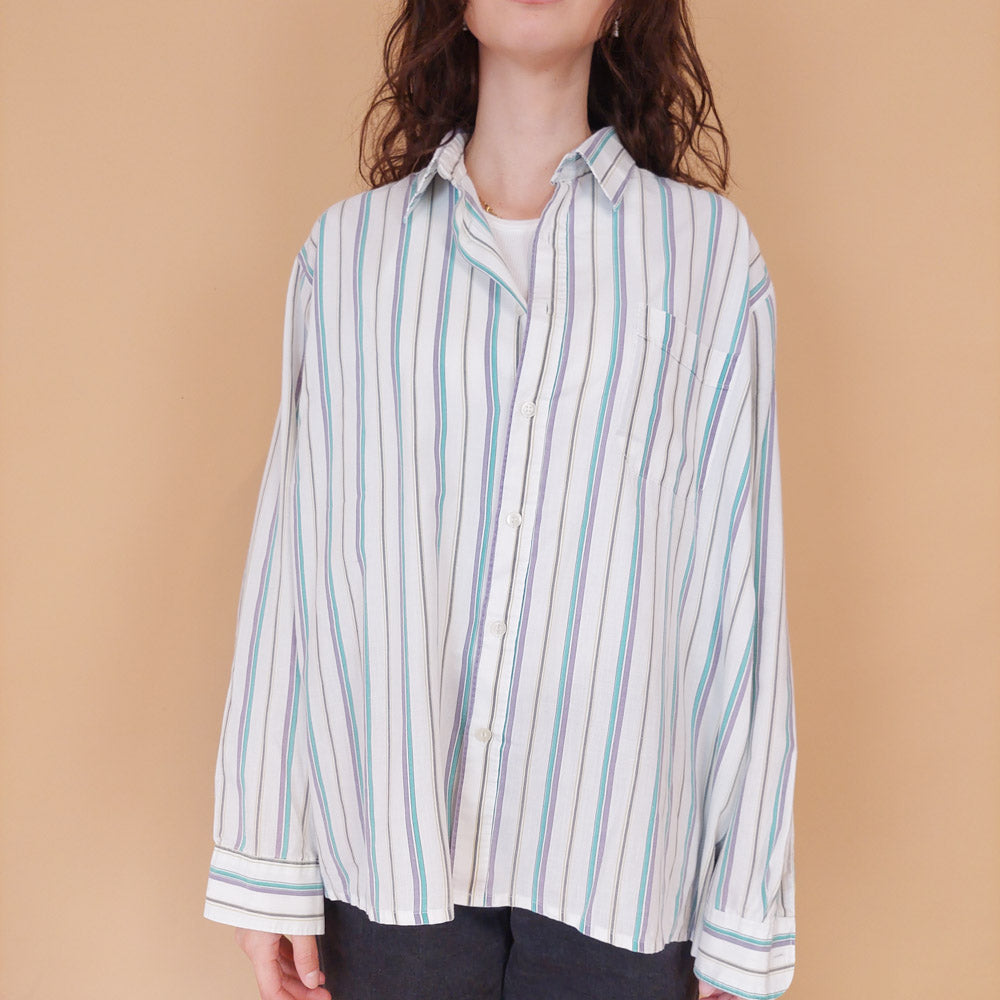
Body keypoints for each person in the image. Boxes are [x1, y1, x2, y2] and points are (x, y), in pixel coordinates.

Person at [203, 0, 798, 998]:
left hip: (620, 860)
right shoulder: (348, 256)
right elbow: (294, 566)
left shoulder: (705, 257)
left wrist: (745, 910)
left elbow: (738, 588)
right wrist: (265, 862)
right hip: (391, 860)